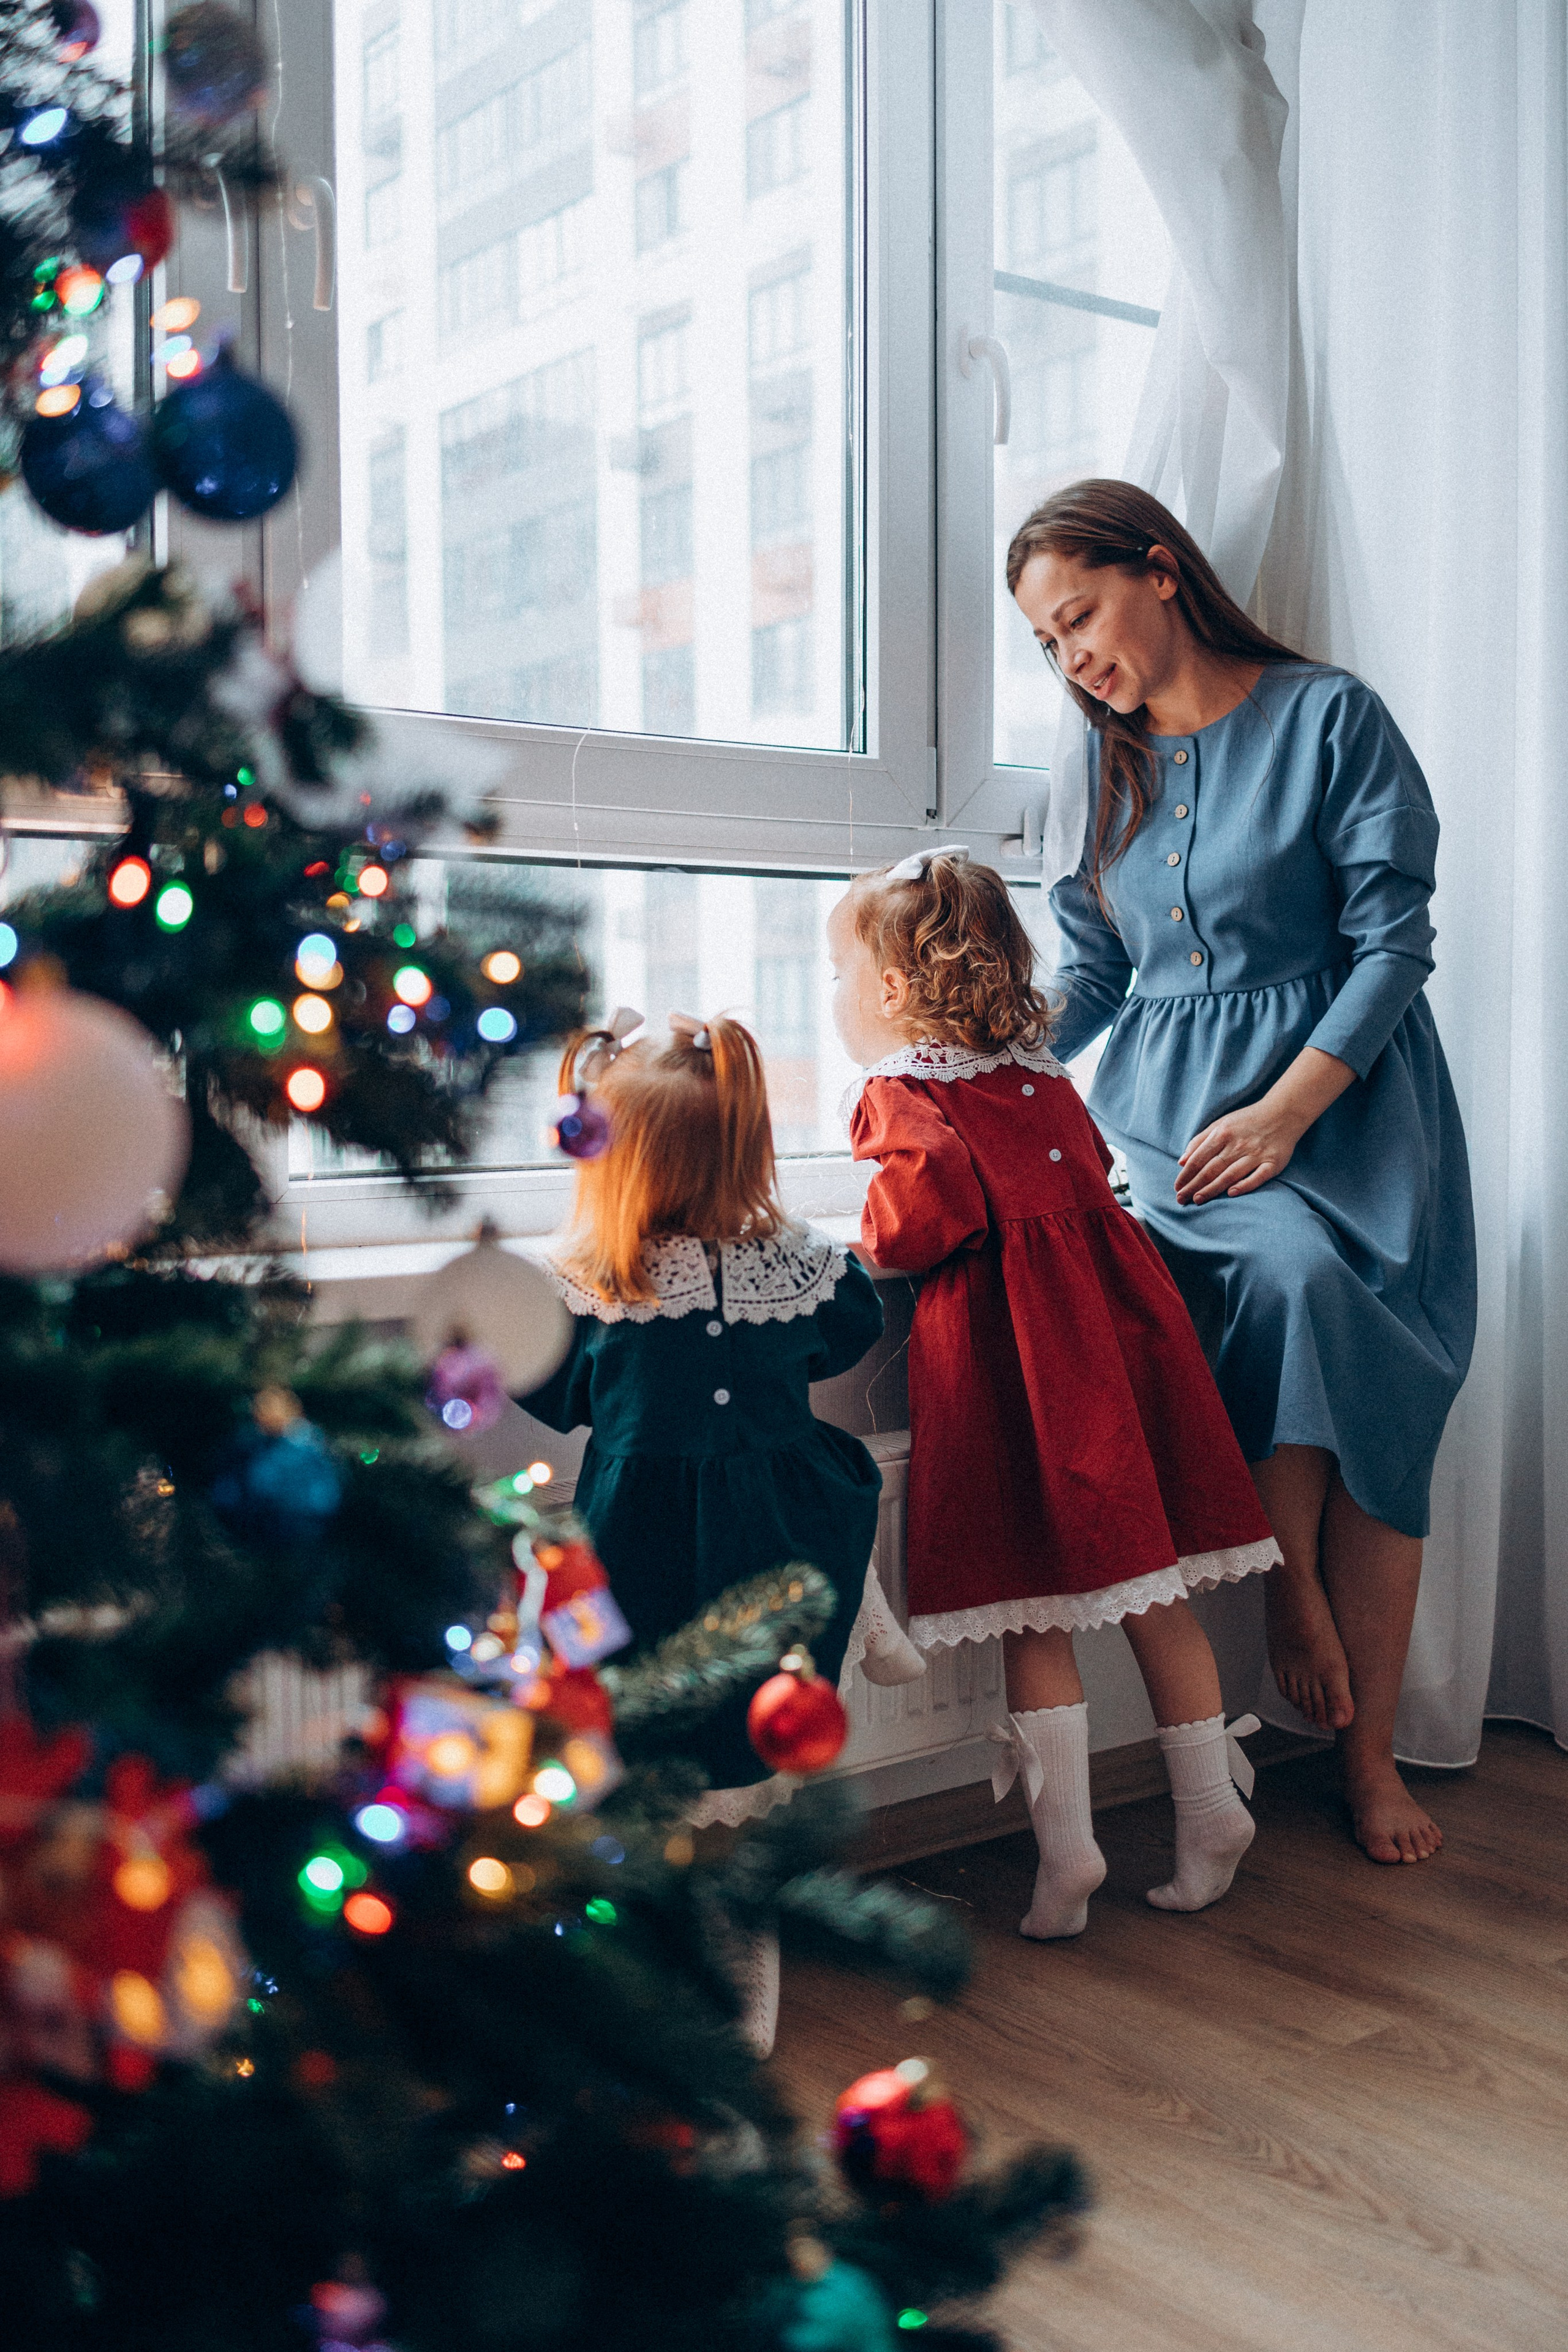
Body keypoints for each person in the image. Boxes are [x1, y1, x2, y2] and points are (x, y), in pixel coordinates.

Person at [1007, 478, 1477, 1866]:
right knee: (1269, 1281)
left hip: (1349, 1103)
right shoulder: (1094, 767)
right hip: (1166, 1115)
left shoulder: (1328, 716)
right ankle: (1288, 1599)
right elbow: (1094, 979)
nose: (1070, 658)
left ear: (1160, 572)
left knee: (1360, 1353)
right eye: (1044, 644)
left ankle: (1371, 1756)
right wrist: (980, 1067)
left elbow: (1393, 946)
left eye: (1077, 616)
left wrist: (1282, 1114)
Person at [831, 854, 1280, 1939]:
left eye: (841, 975)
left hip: (1006, 1368)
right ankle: (1208, 1813)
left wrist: (866, 1233)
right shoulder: (1041, 1078)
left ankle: (1069, 1853)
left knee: (1032, 1606)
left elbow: (920, 1216)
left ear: (892, 991)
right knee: (1154, 1590)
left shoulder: (905, 1091)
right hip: (1115, 1361)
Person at [518, 1009, 923, 1831]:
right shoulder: (626, 1283)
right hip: (676, 1540)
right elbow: (840, 1340)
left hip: (683, 1524)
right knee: (683, 1707)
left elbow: (559, 1397)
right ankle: (870, 1613)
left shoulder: (745, 1271)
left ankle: (868, 1612)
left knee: (742, 1701)